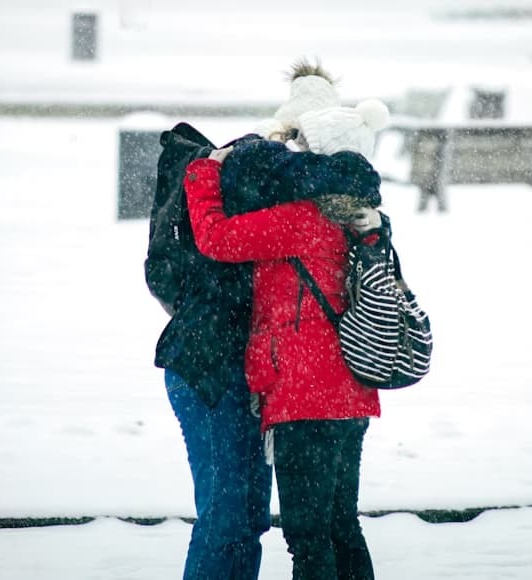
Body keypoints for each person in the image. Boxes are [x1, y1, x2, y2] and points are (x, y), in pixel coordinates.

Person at [146, 61, 380, 580]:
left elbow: (217, 238)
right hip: (348, 390)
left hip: (302, 395)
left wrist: (203, 173)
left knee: (301, 535)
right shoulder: (364, 221)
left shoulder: (303, 219)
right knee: (334, 524)